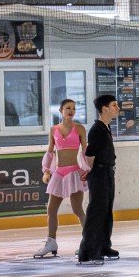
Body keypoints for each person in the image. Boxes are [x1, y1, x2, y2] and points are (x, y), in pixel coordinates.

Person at [34, 98, 85, 259]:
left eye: (74, 108)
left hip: (74, 173)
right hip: (59, 173)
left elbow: (86, 152)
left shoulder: (80, 128)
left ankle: (89, 240)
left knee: (77, 209)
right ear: (61, 110)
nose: (71, 111)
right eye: (68, 108)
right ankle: (51, 242)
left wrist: (87, 170)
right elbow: (50, 151)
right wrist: (47, 171)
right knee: (51, 209)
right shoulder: (53, 129)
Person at [77, 94, 121, 264]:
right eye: (114, 105)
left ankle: (103, 245)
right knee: (96, 212)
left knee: (106, 210)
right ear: (104, 109)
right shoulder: (97, 129)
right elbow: (90, 154)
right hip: (99, 173)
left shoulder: (105, 127)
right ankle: (88, 250)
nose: (118, 108)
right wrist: (90, 171)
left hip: (107, 173)